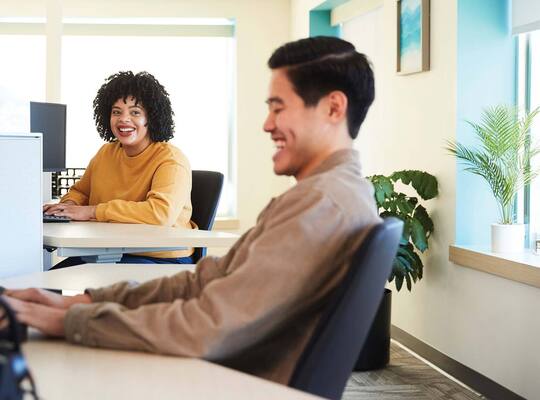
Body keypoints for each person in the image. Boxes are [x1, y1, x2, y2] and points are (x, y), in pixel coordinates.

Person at [4, 36, 379, 384]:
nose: (266, 124)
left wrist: (71, 320)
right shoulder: (323, 196)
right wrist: (89, 300)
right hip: (216, 364)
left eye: (278, 108)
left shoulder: (321, 205)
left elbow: (208, 323)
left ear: (333, 107)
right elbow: (206, 280)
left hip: (219, 378)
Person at [44, 71, 195, 265]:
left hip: (160, 257)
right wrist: (69, 207)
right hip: (110, 251)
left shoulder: (171, 160)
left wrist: (92, 212)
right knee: (47, 284)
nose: (123, 119)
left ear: (152, 117)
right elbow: (81, 192)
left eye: (135, 112)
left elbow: (160, 213)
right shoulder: (106, 153)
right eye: (116, 112)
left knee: (82, 285)